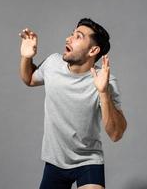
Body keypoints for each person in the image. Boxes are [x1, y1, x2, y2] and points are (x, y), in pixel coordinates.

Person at [19, 18, 127, 189]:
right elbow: (29, 79)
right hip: (55, 161)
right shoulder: (53, 63)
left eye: (78, 36)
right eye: (71, 34)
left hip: (88, 161)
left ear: (93, 50)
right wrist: (26, 57)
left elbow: (116, 134)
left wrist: (103, 92)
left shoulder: (106, 81)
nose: (68, 39)